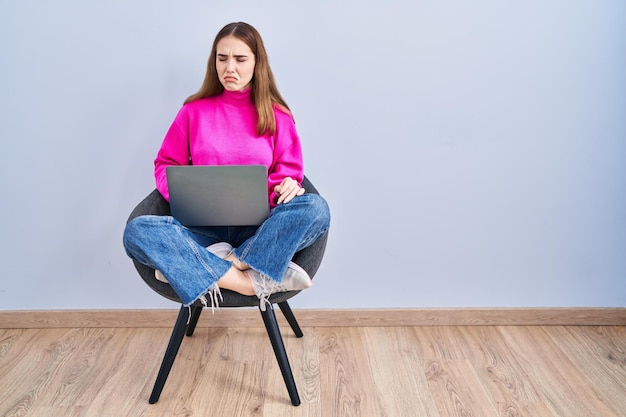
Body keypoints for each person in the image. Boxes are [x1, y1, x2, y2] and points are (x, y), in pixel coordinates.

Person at [123, 22, 330, 311]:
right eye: (222, 58)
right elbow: (166, 163)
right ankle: (248, 280)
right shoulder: (192, 112)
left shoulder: (277, 115)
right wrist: (183, 194)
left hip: (260, 230)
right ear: (214, 61)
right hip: (201, 230)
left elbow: (290, 171)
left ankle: (220, 262)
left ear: (257, 63)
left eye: (240, 59)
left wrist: (286, 184)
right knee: (137, 232)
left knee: (317, 210)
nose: (229, 67)